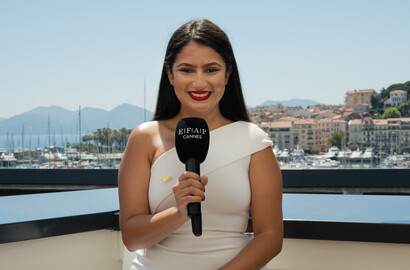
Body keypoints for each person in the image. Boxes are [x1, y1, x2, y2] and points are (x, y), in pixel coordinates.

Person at [118, 19, 283, 270]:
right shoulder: (144, 138)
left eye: (211, 69)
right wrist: (179, 212)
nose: (198, 82)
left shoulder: (253, 140)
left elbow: (270, 237)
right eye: (186, 70)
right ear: (170, 74)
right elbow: (131, 238)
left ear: (228, 74)